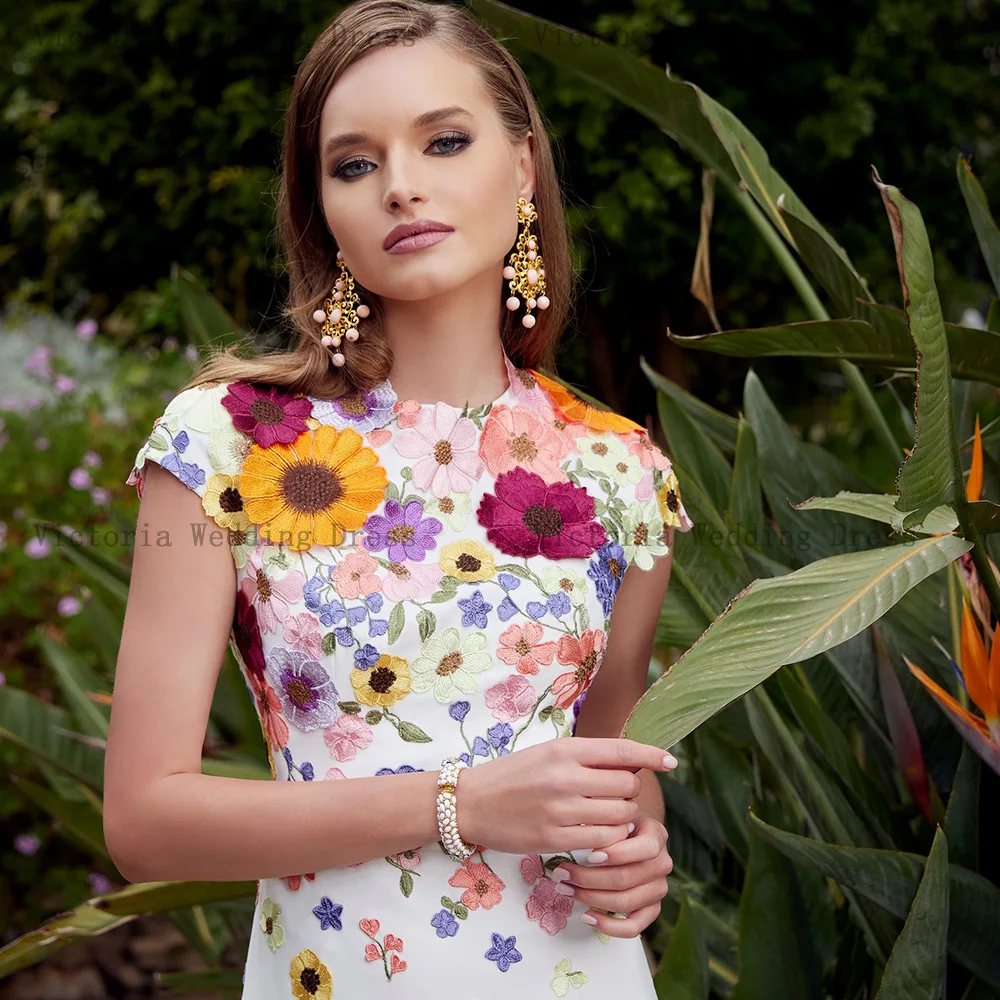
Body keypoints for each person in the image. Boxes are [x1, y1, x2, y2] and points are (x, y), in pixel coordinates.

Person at [104, 1, 695, 996]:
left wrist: (639, 856)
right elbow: (144, 823)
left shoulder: (621, 472)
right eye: (354, 163)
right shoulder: (223, 445)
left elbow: (614, 780)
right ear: (324, 212)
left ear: (519, 170)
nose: (402, 186)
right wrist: (457, 803)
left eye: (444, 140)